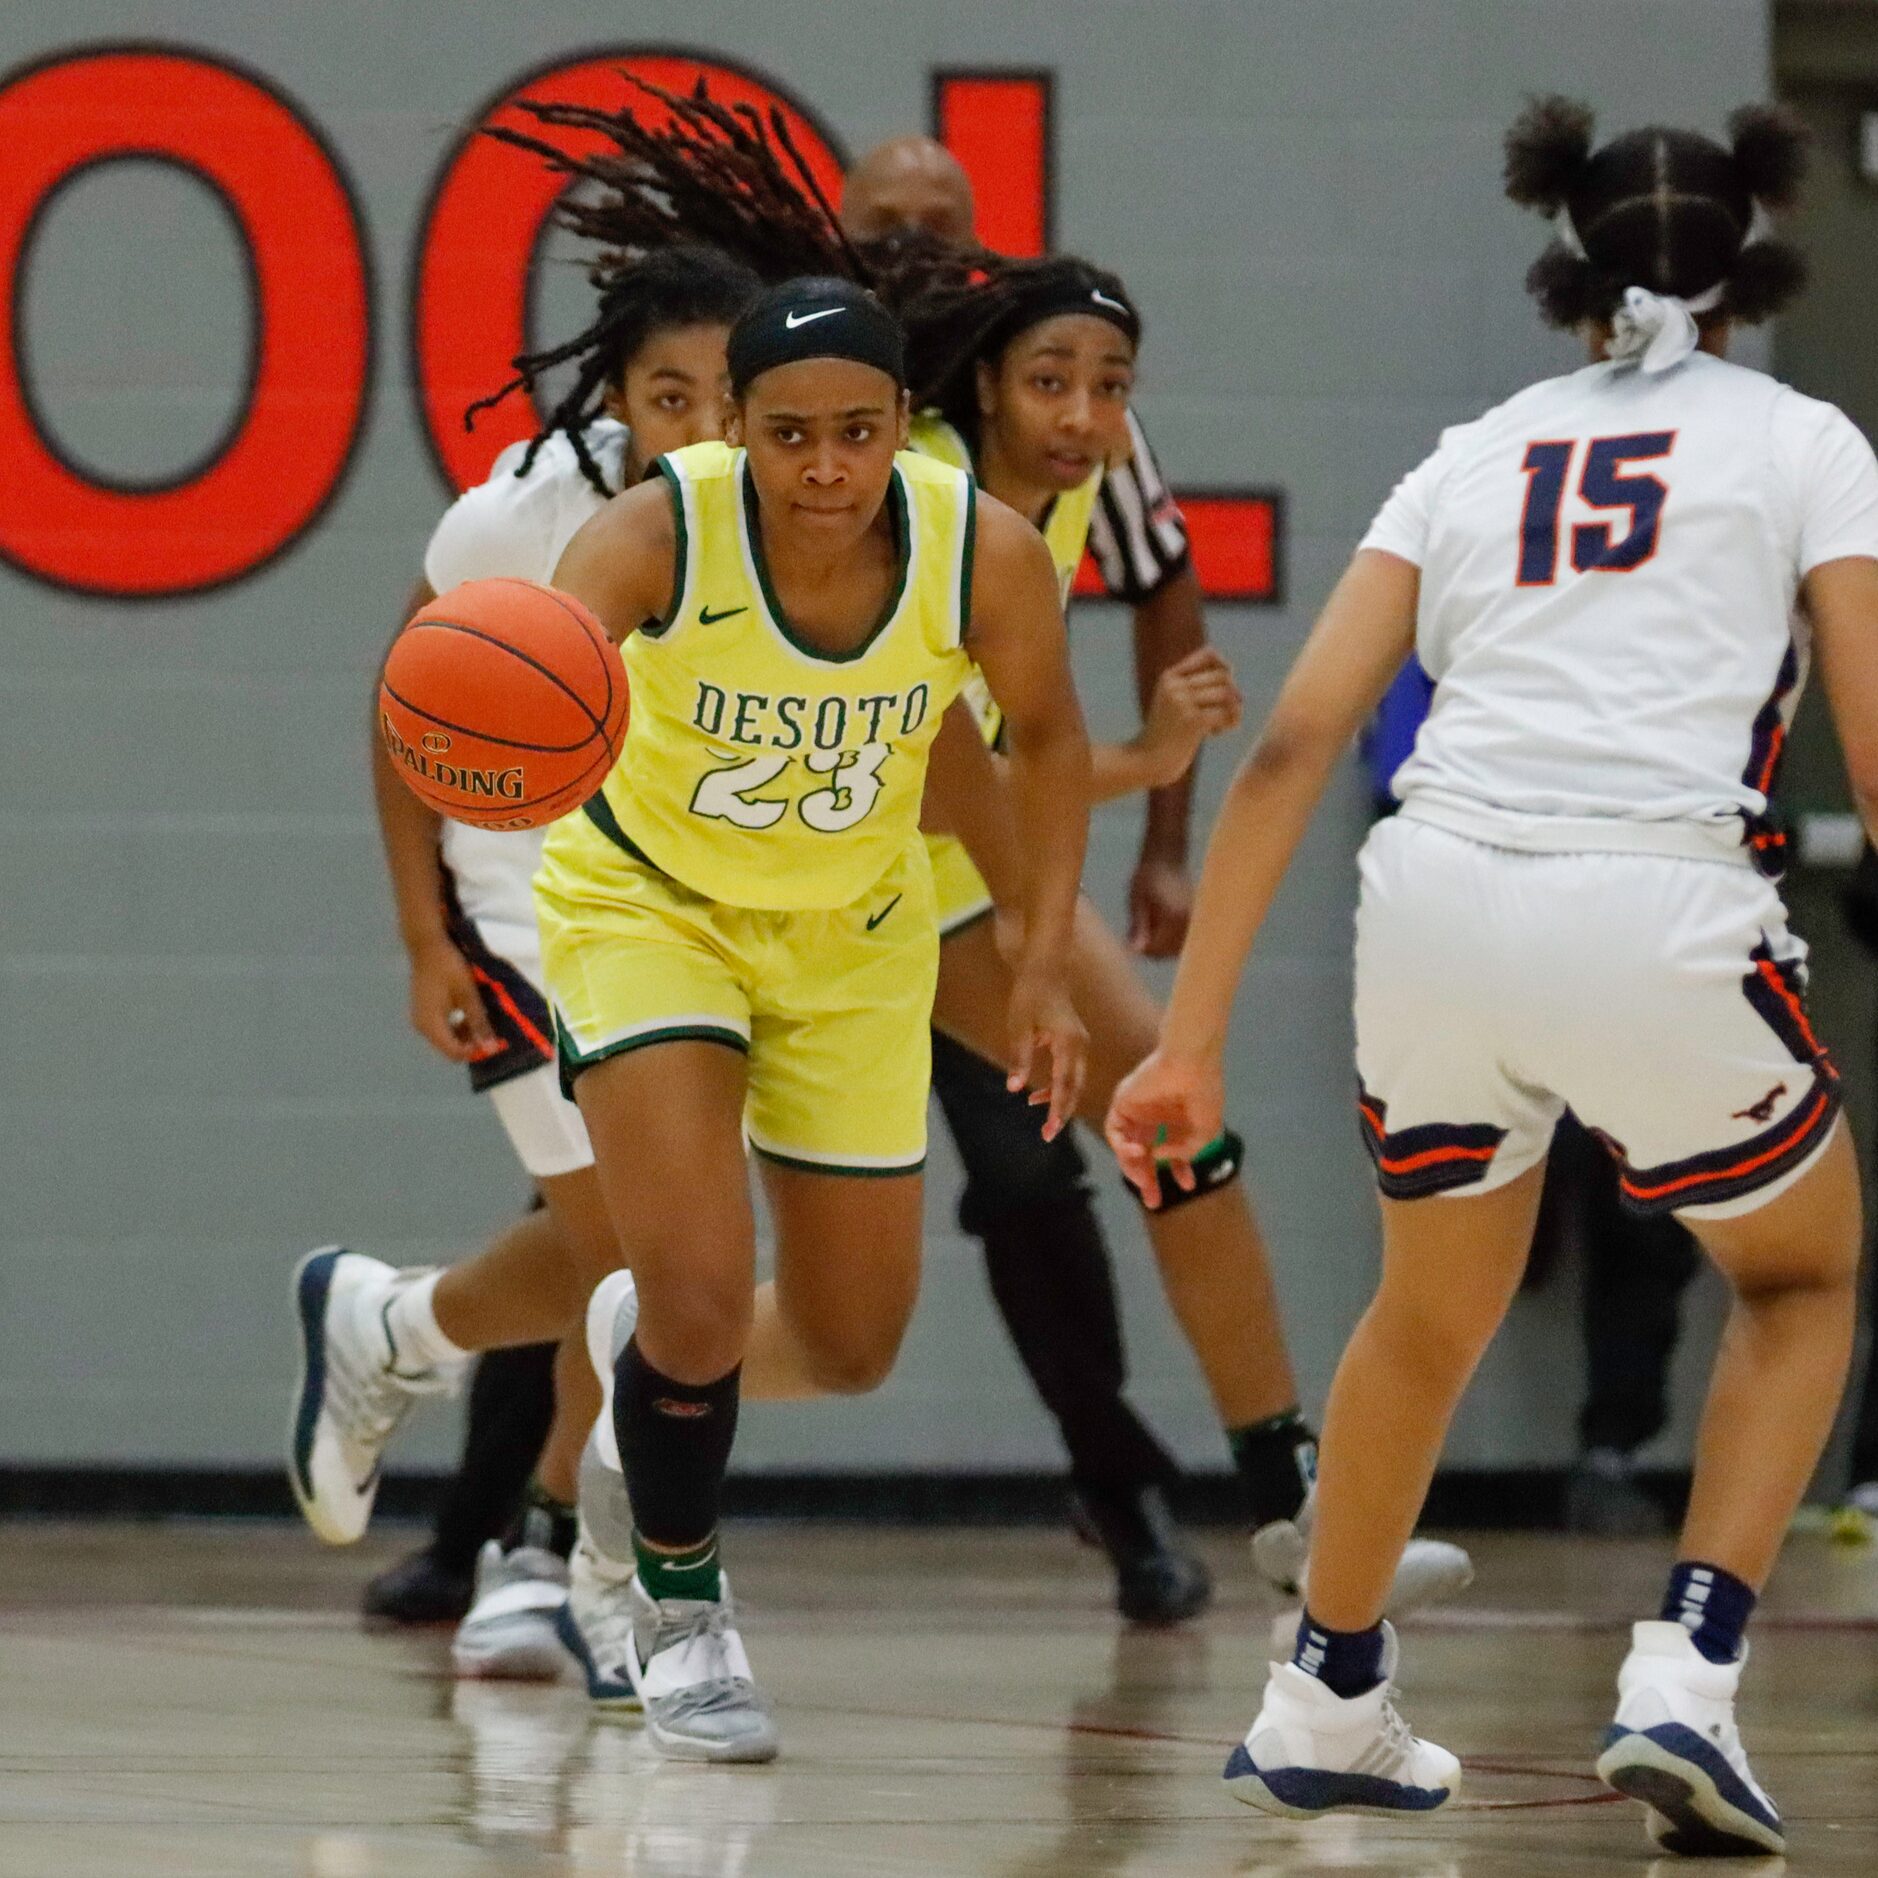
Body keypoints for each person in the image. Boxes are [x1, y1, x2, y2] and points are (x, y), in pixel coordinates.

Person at [543, 82, 1471, 1632]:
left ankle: (1286, 1497)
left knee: (1126, 1151)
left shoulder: (1072, 482)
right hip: (796, 854)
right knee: (653, 1224)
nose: (1085, 410)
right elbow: (934, 759)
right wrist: (1112, 824)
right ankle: (455, 1378)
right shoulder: (871, 453)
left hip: (915, 866)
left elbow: (1070, 686)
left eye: (1111, 383)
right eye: (1058, 379)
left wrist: (1126, 853)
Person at [1109, 97, 1875, 1858]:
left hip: (1435, 900)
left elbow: (1297, 739)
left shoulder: (1472, 451)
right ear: (1751, 262)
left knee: (1424, 1312)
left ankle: (1321, 1697)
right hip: (1656, 902)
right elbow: (1869, 732)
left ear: (1567, 270)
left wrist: (1192, 1042)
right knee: (1800, 1276)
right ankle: (1681, 1681)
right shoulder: (1803, 437)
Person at [536, 271, 1092, 1763]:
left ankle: (643, 1368)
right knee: (706, 1288)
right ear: (733, 424)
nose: (827, 468)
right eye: (790, 436)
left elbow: (1041, 738)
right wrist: (505, 704)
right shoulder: (655, 530)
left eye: (857, 432)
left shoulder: (981, 551)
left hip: (853, 931)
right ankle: (678, 1605)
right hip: (648, 909)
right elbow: (541, 662)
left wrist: (1036, 960)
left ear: (903, 427)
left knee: (851, 1344)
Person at [293, 245, 764, 1671]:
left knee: (644, 1261)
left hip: (688, 918)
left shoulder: (783, 515)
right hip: (523, 905)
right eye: (663, 395)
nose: (694, 425)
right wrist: (421, 929)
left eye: (720, 397)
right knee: (637, 1251)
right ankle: (554, 1547)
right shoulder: (520, 515)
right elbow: (405, 708)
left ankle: (402, 1337)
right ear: (613, 394)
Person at [842, 138, 1231, 1616]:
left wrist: (1161, 830)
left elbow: (1157, 592)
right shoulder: (839, 431)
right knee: (616, 1202)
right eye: (885, 227)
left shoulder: (1047, 429)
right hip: (779, 872)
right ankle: (504, 1526)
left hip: (957, 874)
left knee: (1036, 1170)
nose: (913, 250)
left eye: (940, 229)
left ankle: (1122, 1485)